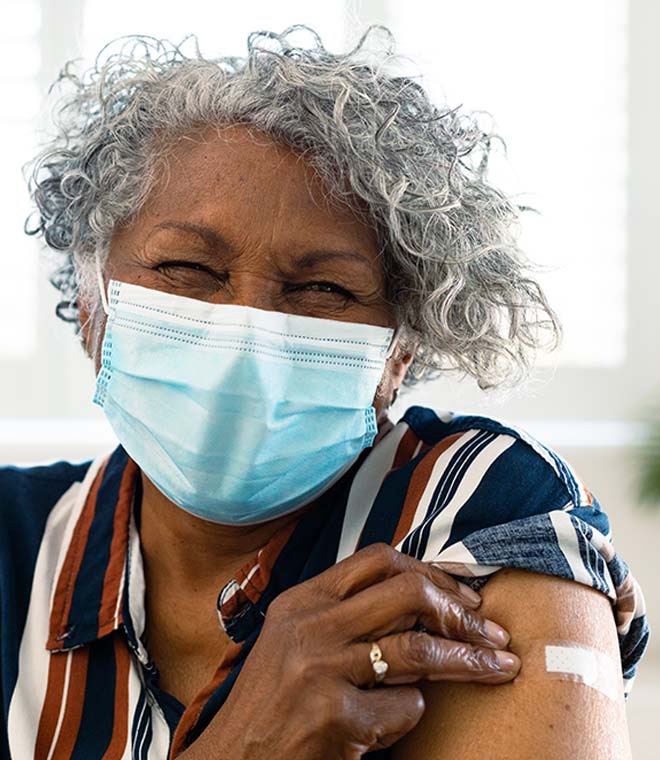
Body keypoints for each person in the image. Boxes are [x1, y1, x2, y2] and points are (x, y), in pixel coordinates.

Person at [1, 25, 649, 759]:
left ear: (399, 352)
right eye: (188, 268)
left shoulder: (476, 502)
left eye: (323, 289)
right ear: (93, 302)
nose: (247, 334)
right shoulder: (11, 544)